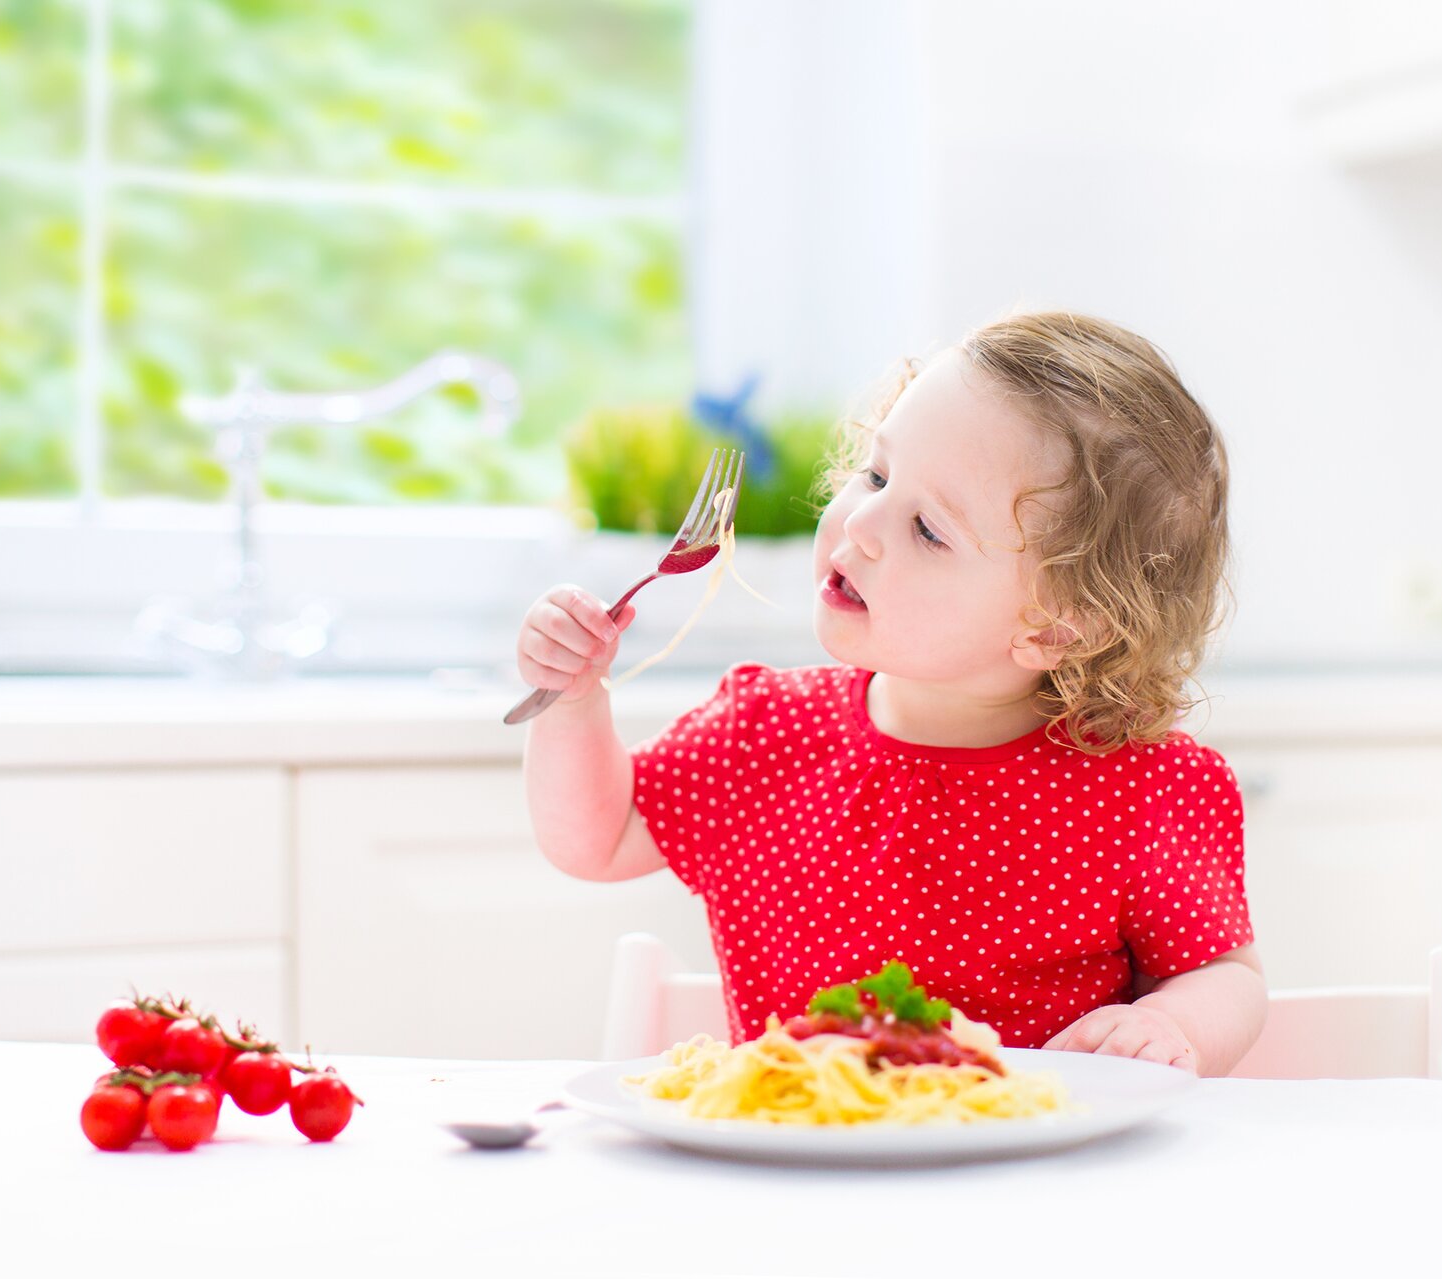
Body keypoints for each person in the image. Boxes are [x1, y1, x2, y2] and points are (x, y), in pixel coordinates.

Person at [516, 311, 1265, 1076]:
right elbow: (598, 836)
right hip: (799, 1168)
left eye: (929, 530)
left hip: (1027, 1180)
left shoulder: (1139, 788)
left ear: (1055, 629)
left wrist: (1172, 1025)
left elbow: (1224, 975)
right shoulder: (764, 734)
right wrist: (573, 700)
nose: (862, 522)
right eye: (876, 474)